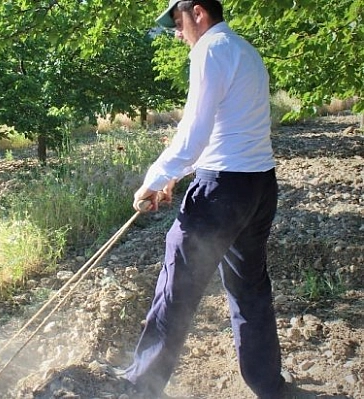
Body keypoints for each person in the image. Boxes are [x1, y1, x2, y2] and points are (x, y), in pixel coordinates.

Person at [122, 1, 285, 398]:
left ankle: (140, 387)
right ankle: (269, 386)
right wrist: (177, 175)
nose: (177, 34)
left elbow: (194, 130)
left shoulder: (208, 50)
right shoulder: (245, 50)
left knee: (177, 287)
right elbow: (224, 131)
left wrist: (154, 179)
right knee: (250, 290)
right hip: (259, 187)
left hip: (221, 194)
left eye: (177, 24)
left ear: (198, 13)